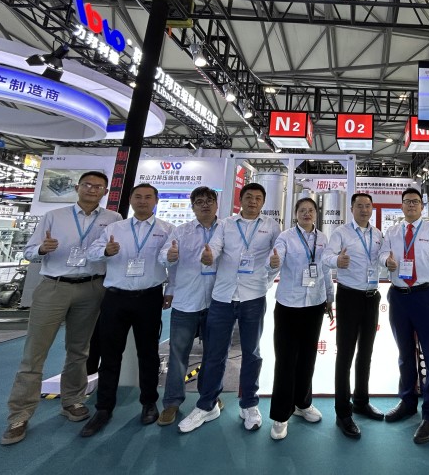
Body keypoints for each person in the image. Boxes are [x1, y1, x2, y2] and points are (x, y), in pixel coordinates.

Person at [1, 172, 121, 446]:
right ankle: (19, 415)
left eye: (98, 187)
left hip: (92, 287)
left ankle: (73, 400)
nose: (92, 189)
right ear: (77, 187)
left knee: (79, 350)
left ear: (105, 191)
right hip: (54, 286)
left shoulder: (113, 219)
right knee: (34, 353)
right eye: (87, 185)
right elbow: (28, 251)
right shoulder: (54, 216)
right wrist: (42, 249)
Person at [177, 182, 280, 434]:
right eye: (248, 197)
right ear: (240, 200)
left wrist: (265, 282)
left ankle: (249, 404)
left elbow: (276, 258)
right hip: (223, 297)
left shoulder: (271, 226)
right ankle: (207, 405)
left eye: (258, 198)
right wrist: (209, 256)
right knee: (215, 353)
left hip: (253, 298)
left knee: (252, 353)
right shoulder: (226, 224)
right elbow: (215, 247)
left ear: (263, 202)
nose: (253, 201)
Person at [81, 183, 175, 437]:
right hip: (115, 297)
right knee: (110, 354)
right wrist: (105, 251)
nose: (143, 201)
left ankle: (149, 402)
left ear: (156, 200)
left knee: (148, 353)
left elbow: (172, 262)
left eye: (148, 197)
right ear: (131, 200)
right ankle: (103, 408)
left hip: (149, 297)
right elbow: (91, 253)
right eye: (138, 197)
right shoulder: (115, 228)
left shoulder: (166, 229)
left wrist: (170, 290)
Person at [378, 187, 429, 445]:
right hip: (398, 296)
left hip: (425, 296)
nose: (411, 205)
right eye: (407, 201)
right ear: (401, 206)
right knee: (405, 352)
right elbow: (381, 254)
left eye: (415, 202)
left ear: (422, 206)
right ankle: (407, 401)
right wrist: (386, 261)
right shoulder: (392, 232)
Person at [156, 186, 224, 426]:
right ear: (192, 206)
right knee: (178, 353)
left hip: (218, 301)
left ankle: (210, 397)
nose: (205, 204)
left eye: (209, 200)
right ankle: (172, 403)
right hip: (186, 300)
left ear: (217, 204)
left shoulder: (226, 230)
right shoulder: (181, 231)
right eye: (199, 201)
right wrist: (170, 259)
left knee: (215, 354)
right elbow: (165, 258)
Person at [266, 197, 333, 440]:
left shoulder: (322, 238)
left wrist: (329, 298)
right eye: (302, 210)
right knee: (286, 361)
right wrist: (273, 263)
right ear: (296, 214)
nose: (307, 213)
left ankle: (302, 404)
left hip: (315, 304)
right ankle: (281, 414)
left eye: (311, 210)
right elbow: (276, 259)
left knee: (307, 358)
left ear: (316, 213)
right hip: (289, 305)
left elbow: (325, 270)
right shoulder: (285, 237)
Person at [322, 192, 385, 438]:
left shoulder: (377, 234)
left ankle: (361, 401)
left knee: (366, 353)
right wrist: (337, 260)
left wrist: (388, 262)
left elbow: (381, 258)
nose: (364, 210)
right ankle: (342, 412)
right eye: (359, 206)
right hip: (349, 297)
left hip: (372, 297)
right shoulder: (341, 233)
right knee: (345, 354)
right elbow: (326, 257)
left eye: (368, 206)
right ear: (352, 209)